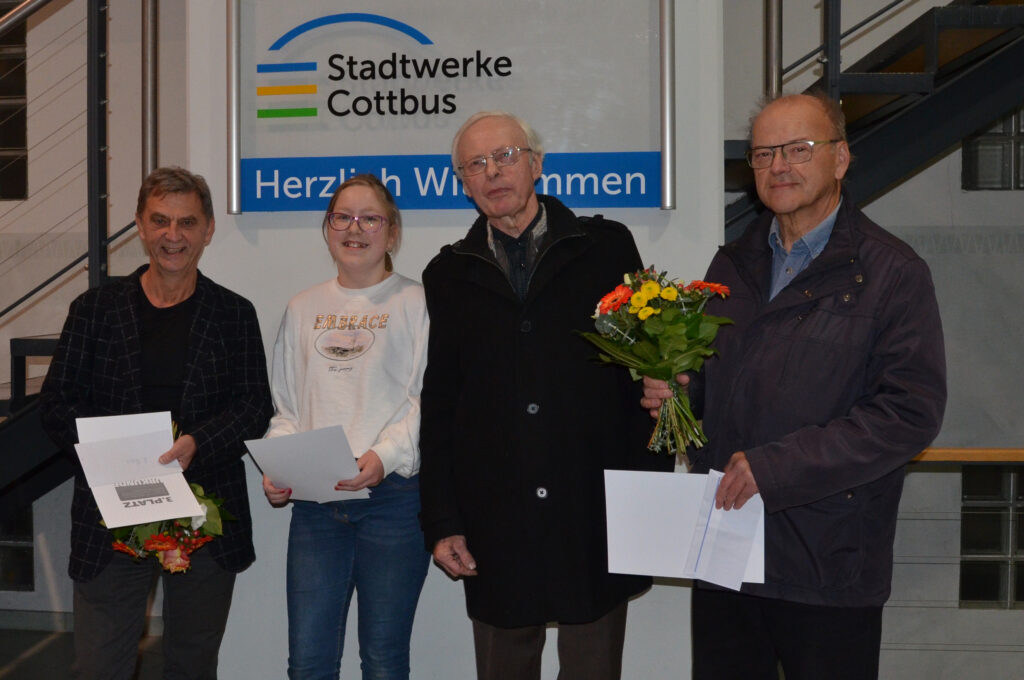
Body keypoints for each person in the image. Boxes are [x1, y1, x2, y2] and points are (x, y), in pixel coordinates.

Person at [642, 92, 947, 680]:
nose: (779, 166)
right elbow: (717, 380)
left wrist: (774, 469)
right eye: (763, 154)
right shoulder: (731, 263)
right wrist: (679, 394)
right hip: (727, 553)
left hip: (828, 563)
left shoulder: (893, 272)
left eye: (798, 149)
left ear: (840, 159)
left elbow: (908, 414)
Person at [418, 111, 673, 680]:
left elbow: (648, 371)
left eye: (505, 156)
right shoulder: (447, 274)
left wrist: (647, 500)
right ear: (461, 182)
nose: (493, 172)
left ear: (536, 164)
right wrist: (441, 518)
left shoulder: (605, 249)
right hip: (494, 519)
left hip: (592, 510)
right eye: (475, 165)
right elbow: (440, 405)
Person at [39, 166, 273, 679]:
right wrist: (113, 452)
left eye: (187, 222)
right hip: (112, 517)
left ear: (208, 229)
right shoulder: (93, 310)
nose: (174, 236)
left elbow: (255, 406)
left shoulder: (235, 314)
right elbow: (56, 402)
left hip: (205, 514)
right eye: (160, 221)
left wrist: (196, 443)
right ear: (141, 226)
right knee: (100, 667)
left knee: (192, 665)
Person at [262, 174, 430, 680]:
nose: (355, 229)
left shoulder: (419, 304)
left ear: (393, 232)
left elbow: (426, 401)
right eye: (343, 217)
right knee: (308, 664)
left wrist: (383, 457)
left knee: (383, 660)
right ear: (327, 228)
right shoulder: (302, 307)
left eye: (370, 218)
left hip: (395, 505)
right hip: (317, 507)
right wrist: (278, 465)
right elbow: (287, 407)